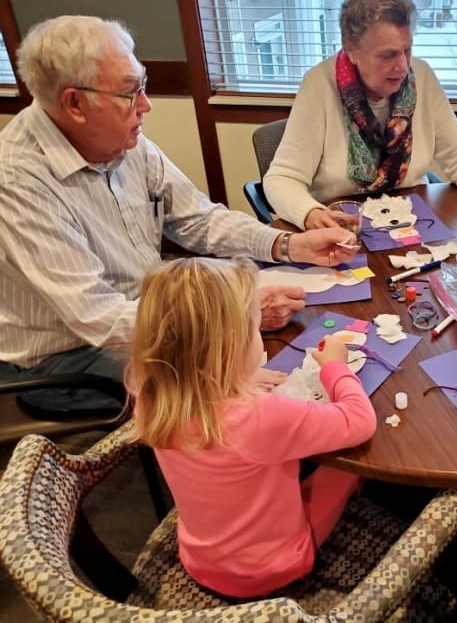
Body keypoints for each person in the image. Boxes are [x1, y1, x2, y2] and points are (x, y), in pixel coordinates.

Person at [0, 15, 356, 410]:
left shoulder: (124, 141)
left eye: (143, 86)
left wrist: (289, 244)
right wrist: (230, 319)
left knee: (257, 344)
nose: (146, 105)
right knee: (251, 389)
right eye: (130, 92)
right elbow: (99, 320)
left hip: (145, 310)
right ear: (75, 103)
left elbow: (199, 219)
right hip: (69, 356)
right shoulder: (17, 179)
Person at [127, 256, 376, 598]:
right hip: (274, 569)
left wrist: (231, 378)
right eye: (255, 329)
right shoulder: (259, 416)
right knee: (352, 468)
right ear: (231, 348)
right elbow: (359, 421)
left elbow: (191, 380)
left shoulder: (150, 397)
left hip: (200, 558)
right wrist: (335, 367)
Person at [263, 0, 457, 232]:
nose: (403, 66)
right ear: (351, 50)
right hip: (345, 230)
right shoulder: (319, 85)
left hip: (411, 225)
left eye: (407, 50)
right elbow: (281, 179)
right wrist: (310, 213)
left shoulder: (421, 77)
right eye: (388, 55)